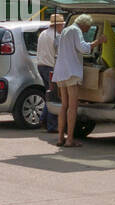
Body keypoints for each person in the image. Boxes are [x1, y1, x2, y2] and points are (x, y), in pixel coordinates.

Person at [52, 12, 104, 147]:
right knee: (73, 107)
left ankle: (60, 138)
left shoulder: (66, 30)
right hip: (71, 72)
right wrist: (98, 41)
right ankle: (69, 139)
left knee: (64, 106)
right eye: (88, 27)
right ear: (84, 24)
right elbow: (83, 48)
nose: (87, 30)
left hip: (61, 71)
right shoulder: (77, 30)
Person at [36, 12, 62, 133]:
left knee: (49, 93)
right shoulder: (57, 36)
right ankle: (50, 124)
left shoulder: (42, 34)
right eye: (62, 24)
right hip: (51, 67)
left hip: (41, 66)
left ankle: (43, 120)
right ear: (58, 25)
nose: (62, 27)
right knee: (54, 96)